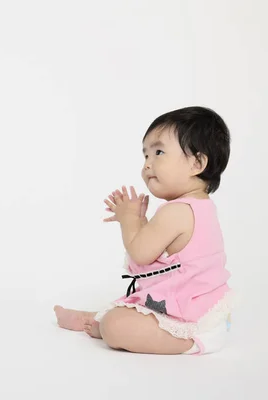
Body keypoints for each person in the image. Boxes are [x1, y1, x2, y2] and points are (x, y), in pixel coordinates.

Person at [54, 106, 235, 355]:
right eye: (145, 156)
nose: (147, 165)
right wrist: (140, 221)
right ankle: (96, 319)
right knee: (120, 316)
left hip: (190, 320)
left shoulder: (176, 211)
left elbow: (140, 253)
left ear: (197, 163)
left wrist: (129, 220)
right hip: (203, 310)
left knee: (115, 325)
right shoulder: (202, 207)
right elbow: (156, 251)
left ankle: (185, 342)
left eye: (158, 152)